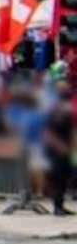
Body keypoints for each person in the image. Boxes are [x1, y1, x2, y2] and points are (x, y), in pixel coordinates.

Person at [43, 82, 73, 216]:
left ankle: (61, 205)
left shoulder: (66, 110)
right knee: (57, 178)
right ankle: (57, 207)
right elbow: (47, 132)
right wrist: (59, 146)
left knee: (64, 178)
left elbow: (70, 130)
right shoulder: (53, 110)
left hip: (66, 150)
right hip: (54, 151)